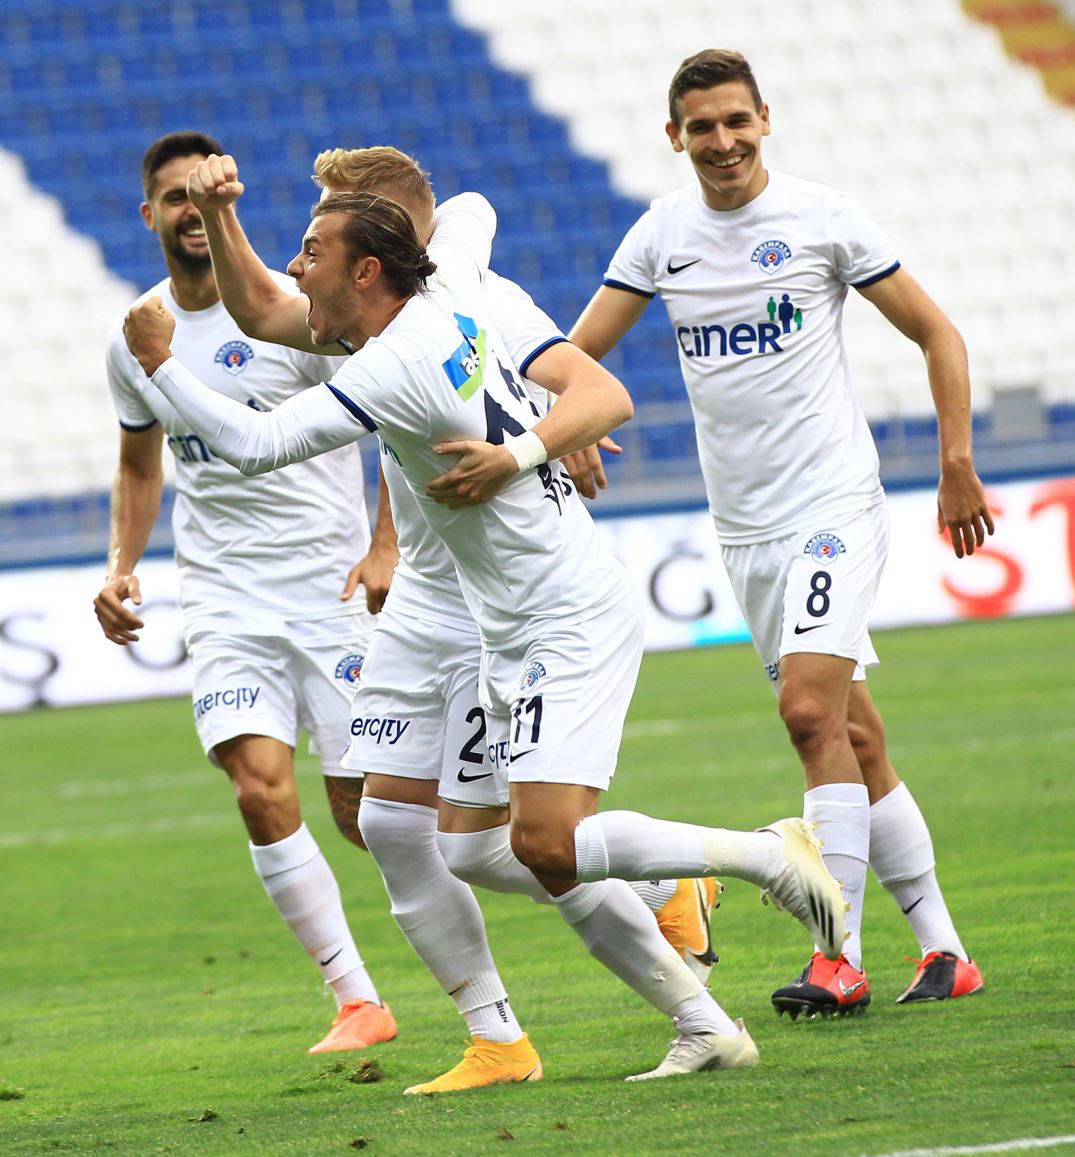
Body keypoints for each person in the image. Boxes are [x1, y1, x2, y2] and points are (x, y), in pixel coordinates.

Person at [121, 187, 848, 1081]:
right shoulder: (448, 286)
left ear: (367, 270)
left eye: (312, 250)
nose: (297, 267)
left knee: (548, 841)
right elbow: (470, 208)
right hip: (503, 619)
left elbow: (258, 443)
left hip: (564, 613)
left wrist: (161, 366)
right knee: (473, 846)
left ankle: (767, 856)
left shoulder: (392, 362)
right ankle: (706, 1028)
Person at [568, 49, 991, 1016]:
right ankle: (947, 951)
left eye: (737, 121)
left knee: (807, 714)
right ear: (673, 136)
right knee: (852, 733)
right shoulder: (661, 235)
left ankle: (839, 955)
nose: (722, 142)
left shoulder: (822, 218)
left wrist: (956, 461)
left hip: (832, 506)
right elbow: (573, 355)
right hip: (746, 529)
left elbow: (939, 333)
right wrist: (570, 427)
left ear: (766, 118)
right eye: (702, 127)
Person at [94, 132, 397, 1053]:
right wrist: (120, 564)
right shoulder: (137, 336)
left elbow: (398, 420)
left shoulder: (291, 316)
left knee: (373, 816)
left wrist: (386, 544)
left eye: (203, 196)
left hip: (331, 591)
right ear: (149, 215)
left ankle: (629, 877)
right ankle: (357, 1001)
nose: (190, 213)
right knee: (258, 789)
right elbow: (139, 465)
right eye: (174, 199)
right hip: (224, 601)